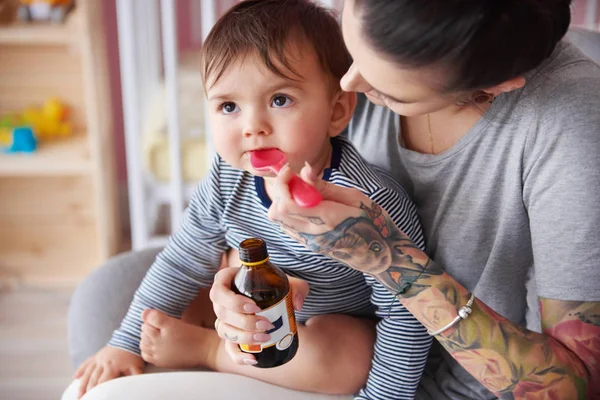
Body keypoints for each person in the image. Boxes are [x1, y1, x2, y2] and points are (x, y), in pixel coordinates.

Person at [65, 0, 600, 399]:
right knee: (104, 307)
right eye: (227, 107)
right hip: (275, 331)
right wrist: (234, 282)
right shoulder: (237, 167)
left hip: (387, 363)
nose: (349, 80)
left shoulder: (566, 128)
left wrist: (389, 260)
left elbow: (571, 383)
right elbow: (189, 252)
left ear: (497, 84)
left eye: (387, 91)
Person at [67, 1, 431, 399]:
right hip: (255, 316)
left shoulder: (370, 200)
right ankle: (207, 350)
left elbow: (406, 314)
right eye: (228, 107)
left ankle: (209, 352)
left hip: (326, 326)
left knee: (348, 353)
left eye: (280, 100)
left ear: (337, 110)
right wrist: (125, 341)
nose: (252, 127)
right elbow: (184, 258)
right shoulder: (228, 178)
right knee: (171, 312)